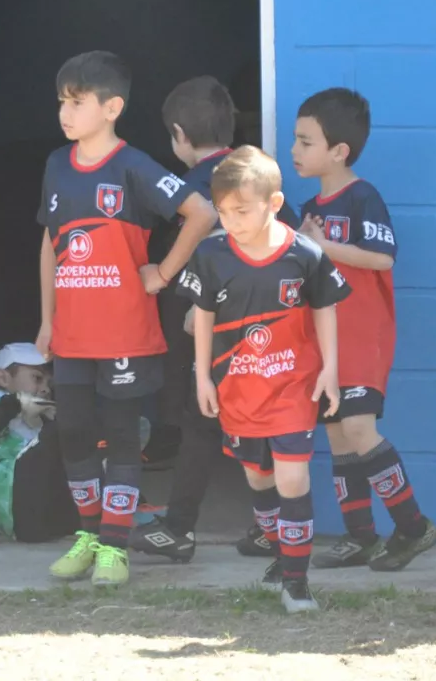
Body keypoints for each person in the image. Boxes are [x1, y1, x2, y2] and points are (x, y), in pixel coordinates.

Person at [34, 50, 217, 587]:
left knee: (120, 436)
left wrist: (162, 272)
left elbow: (200, 213)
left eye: (77, 102)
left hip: (124, 335)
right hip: (70, 334)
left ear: (111, 107)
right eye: (61, 102)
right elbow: (49, 244)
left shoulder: (133, 165)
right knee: (72, 432)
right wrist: (46, 319)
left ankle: (115, 544)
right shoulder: (55, 165)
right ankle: (88, 534)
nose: (65, 113)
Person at [131, 75, 299, 564]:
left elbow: (207, 255)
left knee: (201, 420)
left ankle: (181, 528)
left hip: (211, 328)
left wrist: (165, 279)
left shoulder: (191, 191)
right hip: (268, 331)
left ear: (180, 135)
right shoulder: (256, 180)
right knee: (254, 425)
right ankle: (270, 530)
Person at [178, 146, 351, 612]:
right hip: (236, 386)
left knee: (293, 479)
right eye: (222, 210)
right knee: (259, 478)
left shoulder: (304, 253)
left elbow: (324, 309)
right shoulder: (212, 254)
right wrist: (203, 377)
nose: (230, 220)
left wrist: (330, 369)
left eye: (241, 210)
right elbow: (203, 317)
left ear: (273, 204)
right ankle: (280, 552)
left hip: (293, 384)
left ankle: (297, 581)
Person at [292, 88, 436, 572]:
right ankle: (361, 537)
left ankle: (414, 527)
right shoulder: (309, 204)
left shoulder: (362, 197)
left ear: (339, 151)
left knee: (358, 427)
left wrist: (322, 245)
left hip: (362, 335)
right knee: (336, 435)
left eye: (305, 141)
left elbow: (382, 257)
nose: (295, 150)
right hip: (325, 339)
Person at [0, 343, 77, 543]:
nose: (45, 389)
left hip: (39, 510)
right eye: (37, 378)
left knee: (73, 447)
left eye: (48, 383)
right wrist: (15, 404)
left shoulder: (44, 413)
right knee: (63, 434)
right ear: (3, 378)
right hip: (5, 499)